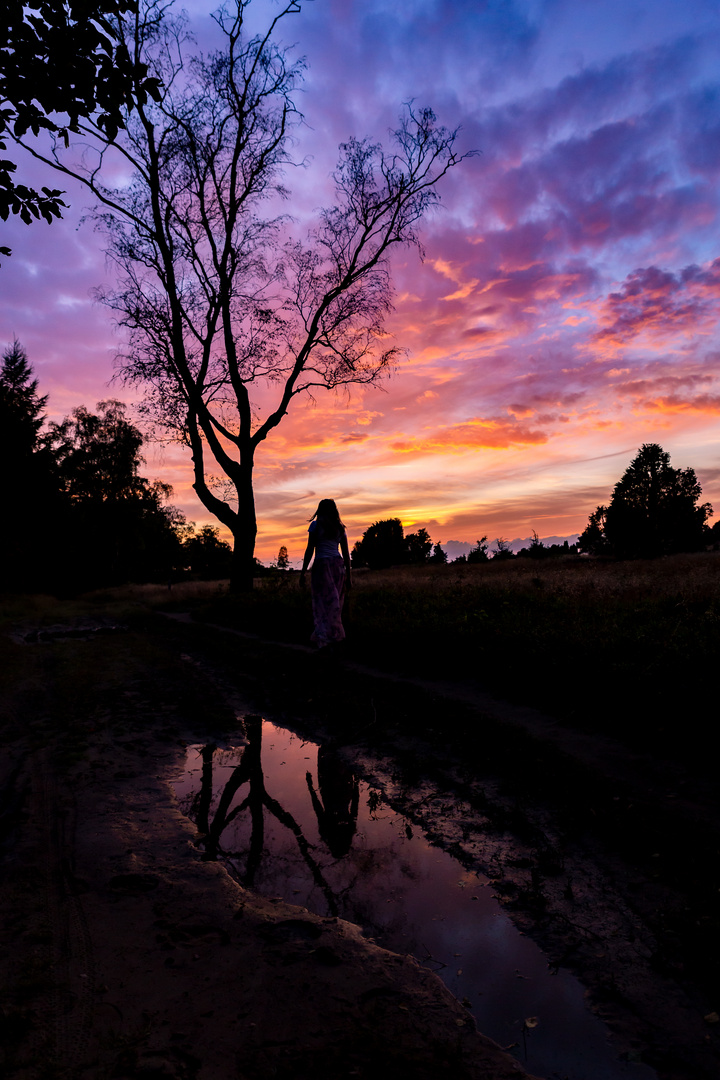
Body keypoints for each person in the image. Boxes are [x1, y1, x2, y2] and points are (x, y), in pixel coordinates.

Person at [300, 499, 351, 648]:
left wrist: (303, 572)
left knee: (323, 602)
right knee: (335, 603)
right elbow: (346, 555)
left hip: (323, 566)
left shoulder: (318, 526)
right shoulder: (338, 527)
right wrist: (349, 576)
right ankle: (330, 636)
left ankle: (327, 636)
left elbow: (310, 549)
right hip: (337, 566)